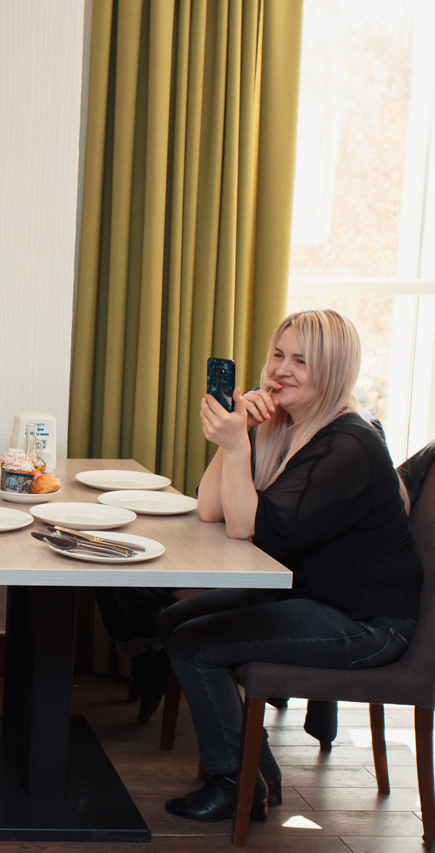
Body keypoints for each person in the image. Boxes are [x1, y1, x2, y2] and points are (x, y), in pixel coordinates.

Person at [159, 309, 423, 825]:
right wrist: (235, 437)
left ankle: (234, 783)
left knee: (195, 645)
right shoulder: (288, 427)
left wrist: (236, 443)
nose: (281, 369)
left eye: (301, 360)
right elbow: (211, 509)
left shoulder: (348, 444)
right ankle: (255, 770)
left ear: (333, 370)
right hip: (316, 597)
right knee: (174, 621)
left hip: (367, 624)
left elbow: (245, 526)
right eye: (278, 355)